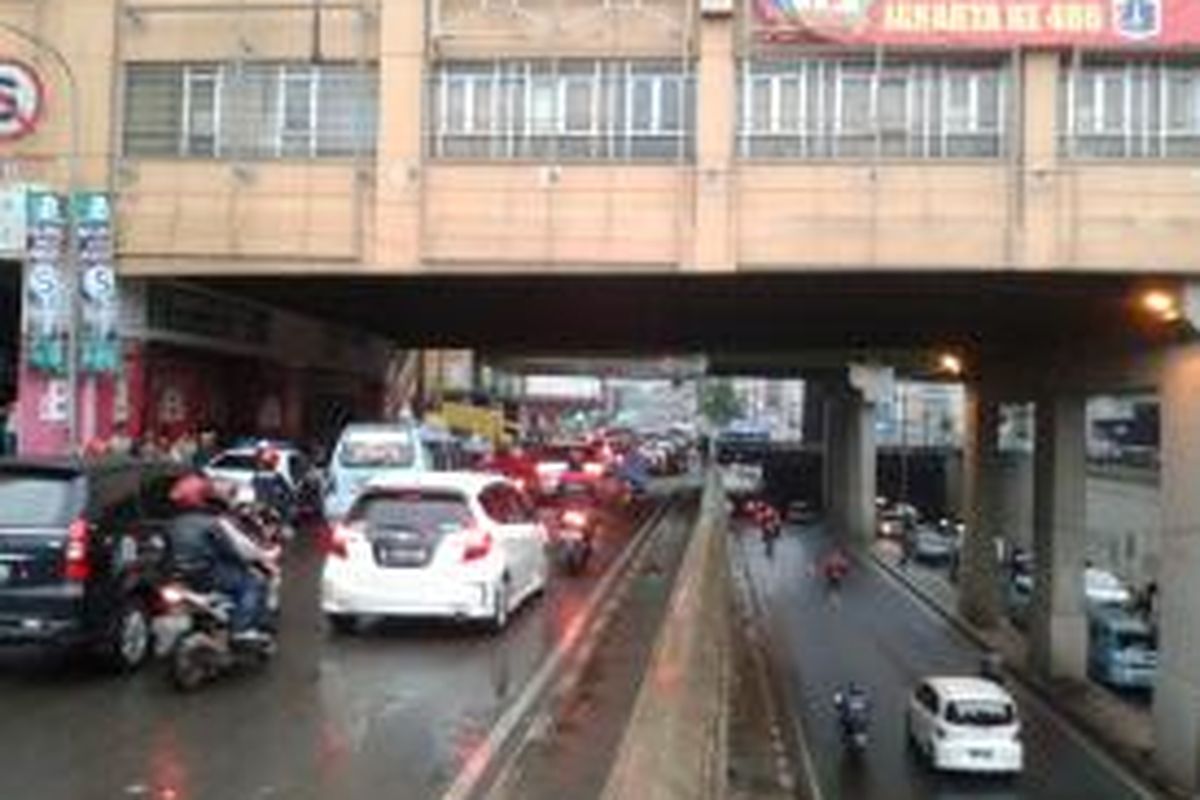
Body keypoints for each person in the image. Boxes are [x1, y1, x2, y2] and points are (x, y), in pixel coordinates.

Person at [166, 473, 276, 640]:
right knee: (253, 583)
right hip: (207, 574)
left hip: (181, 575)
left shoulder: (173, 523)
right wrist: (244, 561)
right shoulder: (210, 522)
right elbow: (230, 550)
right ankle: (242, 629)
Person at [251, 443, 293, 520]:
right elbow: (287, 491)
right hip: (271, 505)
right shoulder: (276, 476)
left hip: (262, 504)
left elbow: (254, 488)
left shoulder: (257, 476)